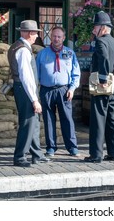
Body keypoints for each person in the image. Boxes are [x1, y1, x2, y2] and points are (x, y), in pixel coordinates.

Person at [7, 20, 50, 167]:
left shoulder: (15, 46)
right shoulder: (23, 50)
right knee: (27, 122)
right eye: (35, 33)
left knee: (33, 122)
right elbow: (26, 77)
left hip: (21, 88)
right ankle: (19, 156)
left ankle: (36, 154)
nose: (36, 36)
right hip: (25, 89)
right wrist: (34, 99)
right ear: (28, 33)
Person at [36, 26, 81, 157]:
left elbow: (76, 74)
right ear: (51, 37)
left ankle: (72, 147)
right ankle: (51, 147)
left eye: (59, 36)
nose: (56, 39)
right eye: (54, 36)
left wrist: (72, 89)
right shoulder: (42, 54)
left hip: (64, 90)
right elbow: (36, 74)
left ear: (64, 38)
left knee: (67, 119)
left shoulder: (70, 53)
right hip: (46, 90)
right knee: (48, 120)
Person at [84, 11, 114, 163]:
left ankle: (96, 154)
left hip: (102, 86)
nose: (94, 30)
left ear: (103, 28)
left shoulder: (101, 42)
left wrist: (103, 78)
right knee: (112, 120)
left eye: (96, 27)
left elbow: (104, 58)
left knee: (98, 120)